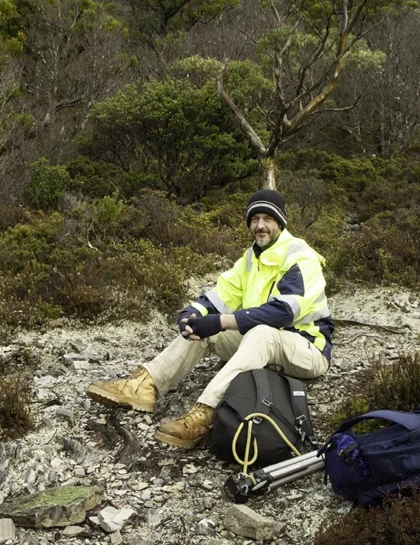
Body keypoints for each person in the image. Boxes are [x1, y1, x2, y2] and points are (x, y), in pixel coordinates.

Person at [86, 189, 334, 449]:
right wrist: (192, 314)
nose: (260, 226)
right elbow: (221, 295)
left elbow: (284, 312)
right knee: (206, 329)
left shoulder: (300, 257)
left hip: (308, 350)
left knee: (261, 332)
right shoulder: (251, 258)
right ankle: (143, 386)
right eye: (254, 219)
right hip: (262, 343)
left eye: (268, 218)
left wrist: (222, 321)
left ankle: (205, 414)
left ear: (280, 222)